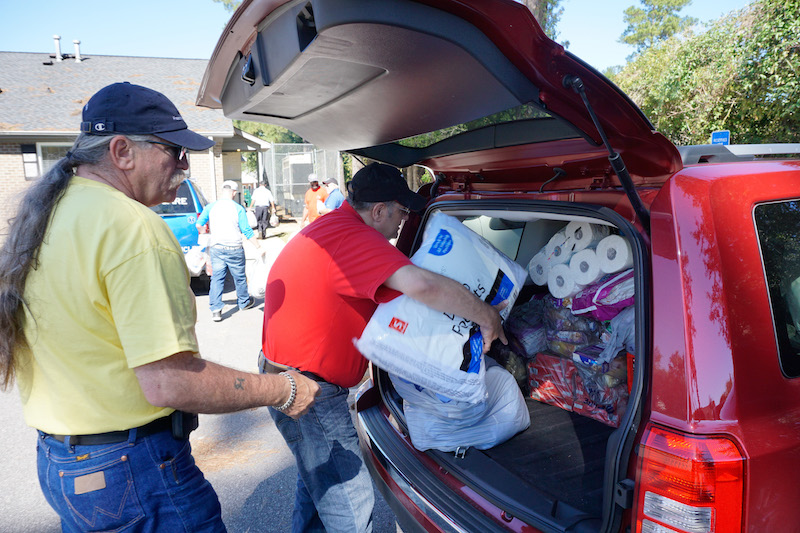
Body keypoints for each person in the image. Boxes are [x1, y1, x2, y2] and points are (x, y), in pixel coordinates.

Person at [0, 82, 319, 533]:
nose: (184, 168)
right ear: (122, 151)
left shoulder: (48, 214)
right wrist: (283, 389)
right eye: (174, 151)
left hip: (65, 462)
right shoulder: (134, 228)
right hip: (133, 470)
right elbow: (169, 382)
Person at [260, 162, 507, 533]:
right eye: (402, 213)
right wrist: (487, 315)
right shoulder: (356, 239)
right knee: (350, 507)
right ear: (378, 211)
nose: (402, 224)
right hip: (308, 391)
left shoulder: (333, 226)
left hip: (290, 377)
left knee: (318, 489)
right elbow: (423, 285)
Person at [197, 180, 262, 322]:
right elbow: (246, 230)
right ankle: (244, 302)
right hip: (234, 248)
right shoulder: (238, 208)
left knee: (217, 278)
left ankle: (216, 309)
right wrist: (258, 247)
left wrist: (204, 234)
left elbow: (199, 224)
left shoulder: (211, 207)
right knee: (239, 276)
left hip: (217, 248)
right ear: (233, 192)